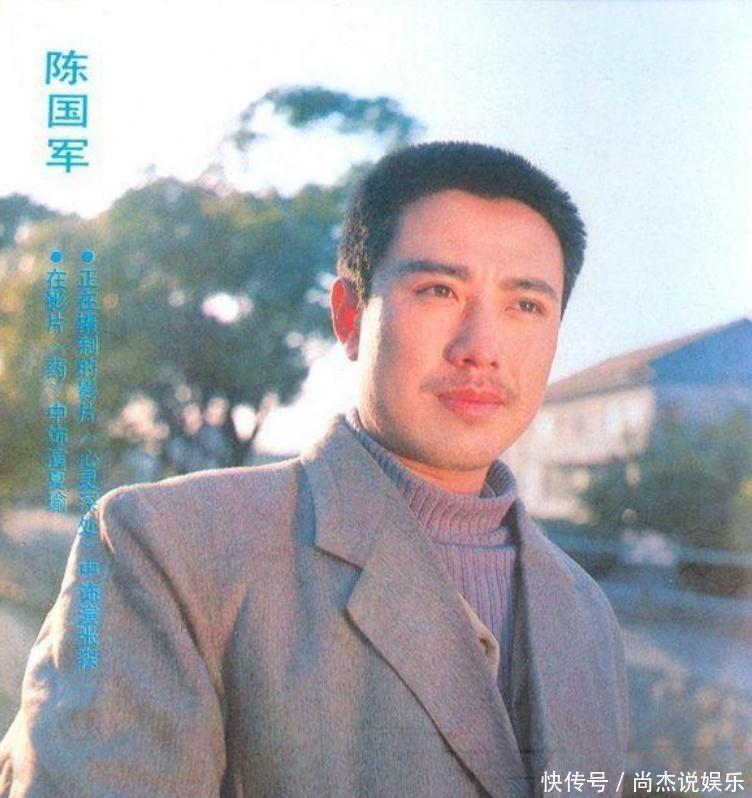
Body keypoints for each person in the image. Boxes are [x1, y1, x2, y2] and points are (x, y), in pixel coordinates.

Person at [0, 142, 629, 798]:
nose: (482, 348)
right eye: (439, 290)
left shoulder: (585, 612)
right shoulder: (168, 548)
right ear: (350, 317)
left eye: (525, 305)